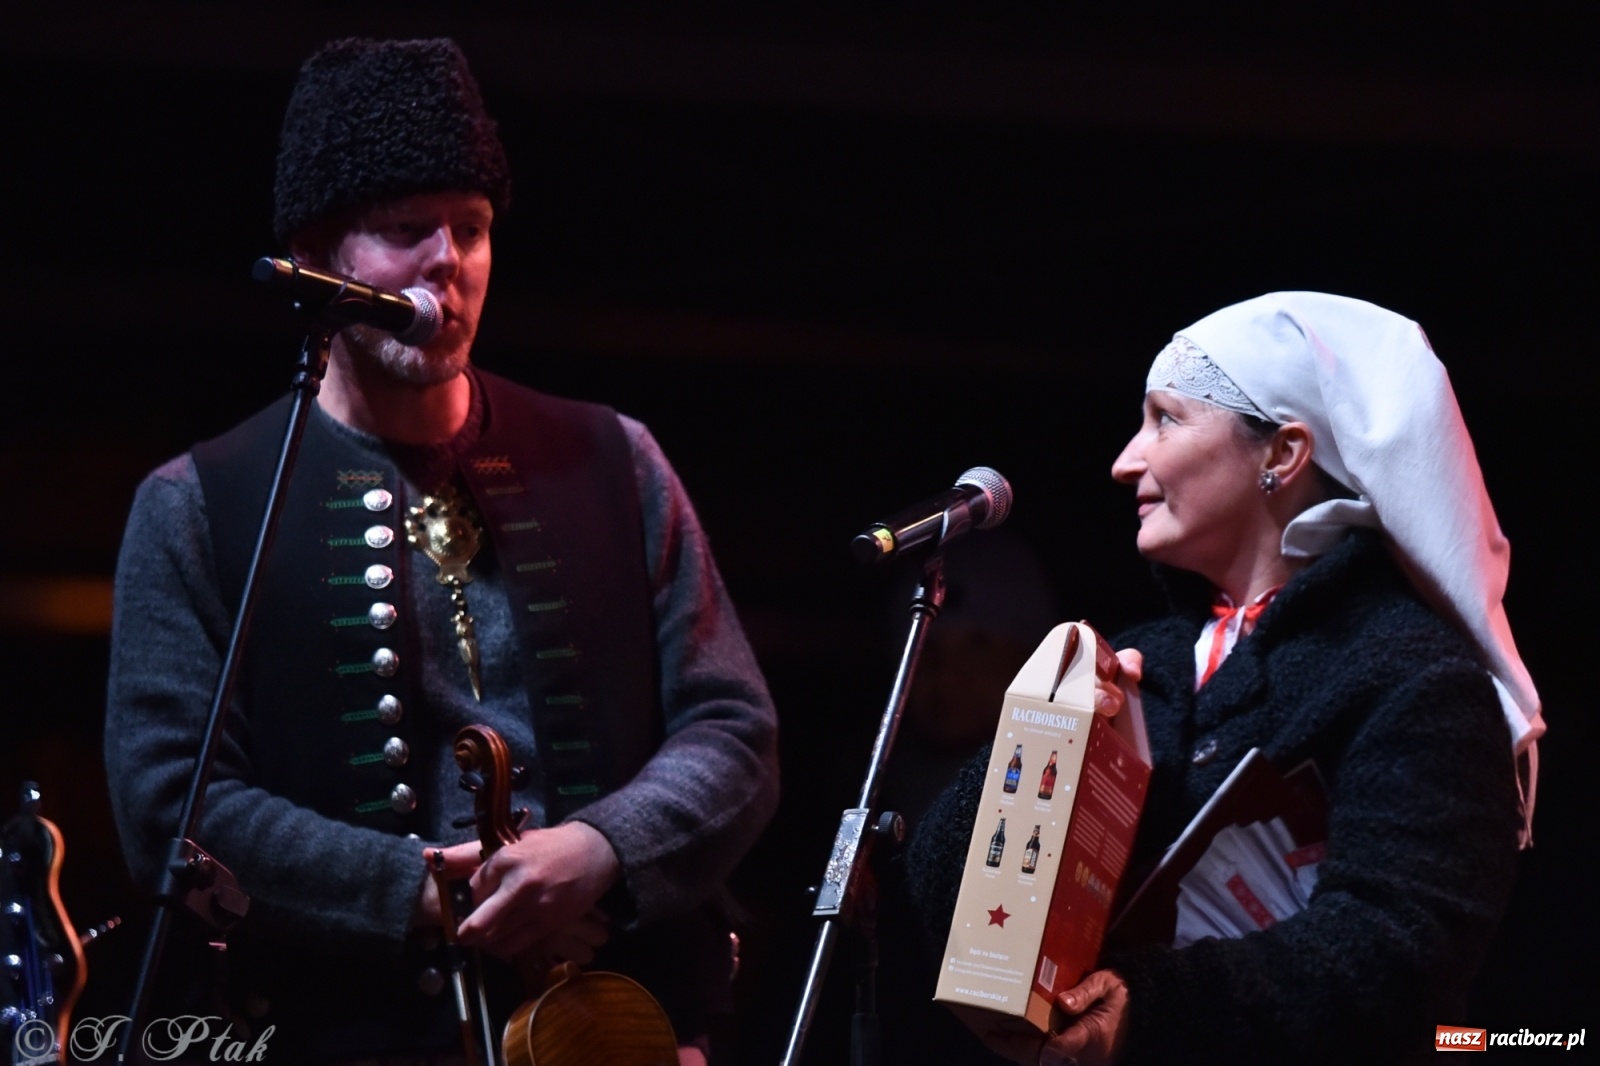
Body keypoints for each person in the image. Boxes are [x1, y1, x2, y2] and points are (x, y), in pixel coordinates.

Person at [104, 37, 778, 1065]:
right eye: (407, 229)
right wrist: (419, 888)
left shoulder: (616, 457)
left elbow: (733, 727)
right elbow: (168, 805)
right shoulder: (193, 504)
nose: (447, 262)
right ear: (323, 261)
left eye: (471, 228)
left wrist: (604, 848)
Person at [906, 292, 1542, 1065]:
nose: (1124, 461)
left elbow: (1396, 955)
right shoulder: (1144, 663)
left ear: (1282, 455)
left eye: (1164, 419)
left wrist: (1151, 1011)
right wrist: (1032, 735)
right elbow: (948, 901)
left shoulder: (1411, 676)